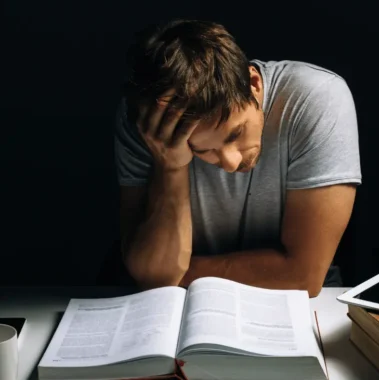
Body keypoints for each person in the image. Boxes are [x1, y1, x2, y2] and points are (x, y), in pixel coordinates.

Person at [114, 19, 361, 297]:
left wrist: (176, 274)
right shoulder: (151, 126)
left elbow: (303, 277)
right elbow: (155, 277)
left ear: (253, 83)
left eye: (235, 134)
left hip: (301, 305)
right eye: (201, 150)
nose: (230, 163)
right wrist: (170, 166)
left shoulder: (316, 97)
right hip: (181, 305)